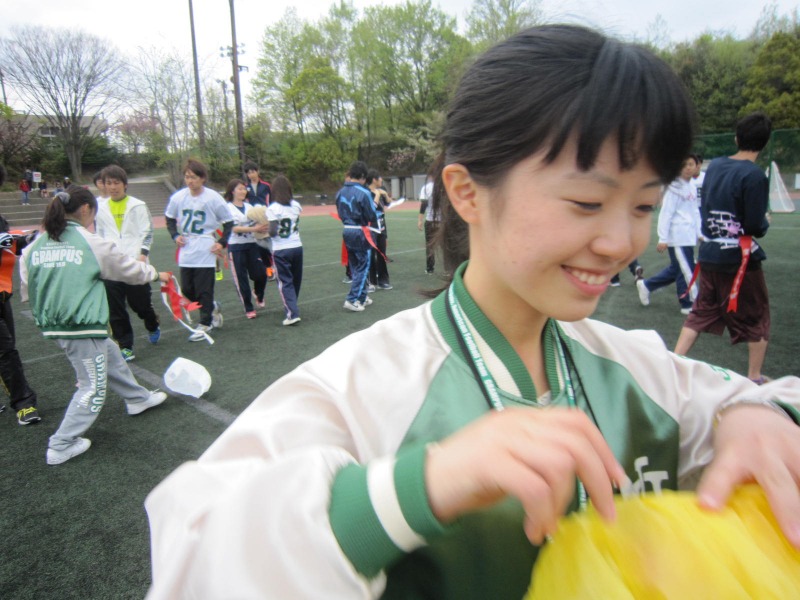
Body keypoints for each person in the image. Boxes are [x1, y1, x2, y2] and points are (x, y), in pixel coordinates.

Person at [144, 26, 800, 599]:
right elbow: (196, 561)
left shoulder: (633, 368)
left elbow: (760, 399)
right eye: (587, 202)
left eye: (643, 206)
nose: (620, 242)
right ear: (467, 193)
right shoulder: (357, 389)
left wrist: (758, 414)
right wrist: (416, 489)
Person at [20, 187, 172, 465]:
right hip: (80, 323)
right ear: (86, 209)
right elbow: (126, 268)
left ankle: (137, 398)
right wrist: (155, 274)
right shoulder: (89, 241)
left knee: (109, 352)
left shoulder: (38, 244)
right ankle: (61, 444)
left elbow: (26, 279)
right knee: (92, 386)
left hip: (57, 322)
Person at [674, 113, 774, 384]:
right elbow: (753, 225)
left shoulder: (716, 166)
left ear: (736, 138)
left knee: (701, 310)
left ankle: (673, 362)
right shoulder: (754, 176)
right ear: (765, 143)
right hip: (738, 259)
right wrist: (764, 222)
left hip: (709, 253)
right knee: (757, 314)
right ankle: (754, 376)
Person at [95, 165, 162, 361]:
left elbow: (147, 232)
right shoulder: (100, 208)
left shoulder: (138, 205)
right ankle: (125, 345)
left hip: (134, 264)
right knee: (115, 309)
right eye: (109, 183)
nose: (112, 187)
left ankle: (152, 323)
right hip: (111, 267)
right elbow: (99, 235)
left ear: (125, 184)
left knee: (140, 305)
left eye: (116, 183)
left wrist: (142, 255)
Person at [165, 159, 233, 341]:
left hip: (205, 246)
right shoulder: (179, 197)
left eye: (194, 177)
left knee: (204, 288)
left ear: (202, 178)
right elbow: (169, 218)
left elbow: (228, 222)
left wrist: (222, 243)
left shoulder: (213, 198)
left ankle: (205, 323)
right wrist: (175, 235)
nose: (190, 181)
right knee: (187, 290)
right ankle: (211, 306)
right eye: (187, 177)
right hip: (187, 246)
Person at [636, 155, 701, 314]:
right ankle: (688, 303)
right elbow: (666, 213)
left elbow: (694, 212)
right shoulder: (673, 188)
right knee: (686, 269)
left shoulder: (692, 186)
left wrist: (699, 232)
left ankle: (647, 285)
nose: (688, 167)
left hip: (688, 236)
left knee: (677, 268)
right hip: (677, 236)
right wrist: (663, 238)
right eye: (684, 164)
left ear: (696, 166)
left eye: (691, 164)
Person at [0, 215, 40, 425]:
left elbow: (15, 243)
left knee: (7, 349)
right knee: (6, 352)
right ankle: (24, 403)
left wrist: (31, 239)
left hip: (2, 296)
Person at [336, 161, 378, 312]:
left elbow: (340, 212)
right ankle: (352, 299)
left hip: (347, 230)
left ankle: (362, 296)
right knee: (363, 265)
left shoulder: (340, 192)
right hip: (360, 231)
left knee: (355, 265)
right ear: (362, 176)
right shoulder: (364, 192)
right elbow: (371, 214)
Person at [223, 179, 267, 319]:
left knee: (261, 274)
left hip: (252, 245)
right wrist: (254, 228)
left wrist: (264, 225)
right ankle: (248, 307)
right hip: (236, 247)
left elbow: (258, 222)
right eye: (240, 189)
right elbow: (234, 228)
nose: (243, 191)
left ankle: (258, 293)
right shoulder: (227, 208)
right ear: (232, 191)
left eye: (244, 189)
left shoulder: (249, 207)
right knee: (241, 279)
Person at [267, 174, 303, 326]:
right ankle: (292, 305)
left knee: (284, 281)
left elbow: (273, 232)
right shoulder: (296, 205)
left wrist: (264, 230)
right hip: (297, 246)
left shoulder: (273, 208)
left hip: (281, 248)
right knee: (295, 279)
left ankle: (292, 313)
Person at [243, 161, 275, 280]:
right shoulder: (245, 187)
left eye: (253, 172)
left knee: (270, 244)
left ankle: (275, 267)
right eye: (249, 173)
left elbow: (272, 201)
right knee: (259, 247)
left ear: (257, 172)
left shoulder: (266, 186)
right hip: (253, 220)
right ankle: (268, 270)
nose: (251, 175)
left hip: (266, 217)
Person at [366, 169, 392, 290]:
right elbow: (371, 208)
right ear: (374, 180)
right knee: (371, 255)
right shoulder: (366, 192)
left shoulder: (381, 190)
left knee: (382, 253)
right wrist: (377, 194)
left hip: (381, 226)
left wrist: (385, 194)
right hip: (371, 227)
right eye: (379, 178)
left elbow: (389, 203)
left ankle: (383, 280)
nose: (381, 180)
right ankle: (371, 282)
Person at [417, 169, 440, 274]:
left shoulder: (426, 188)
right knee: (446, 245)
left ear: (430, 176)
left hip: (430, 220)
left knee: (430, 245)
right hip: (442, 221)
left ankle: (430, 268)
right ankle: (449, 269)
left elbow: (424, 205)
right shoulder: (444, 187)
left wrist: (420, 220)